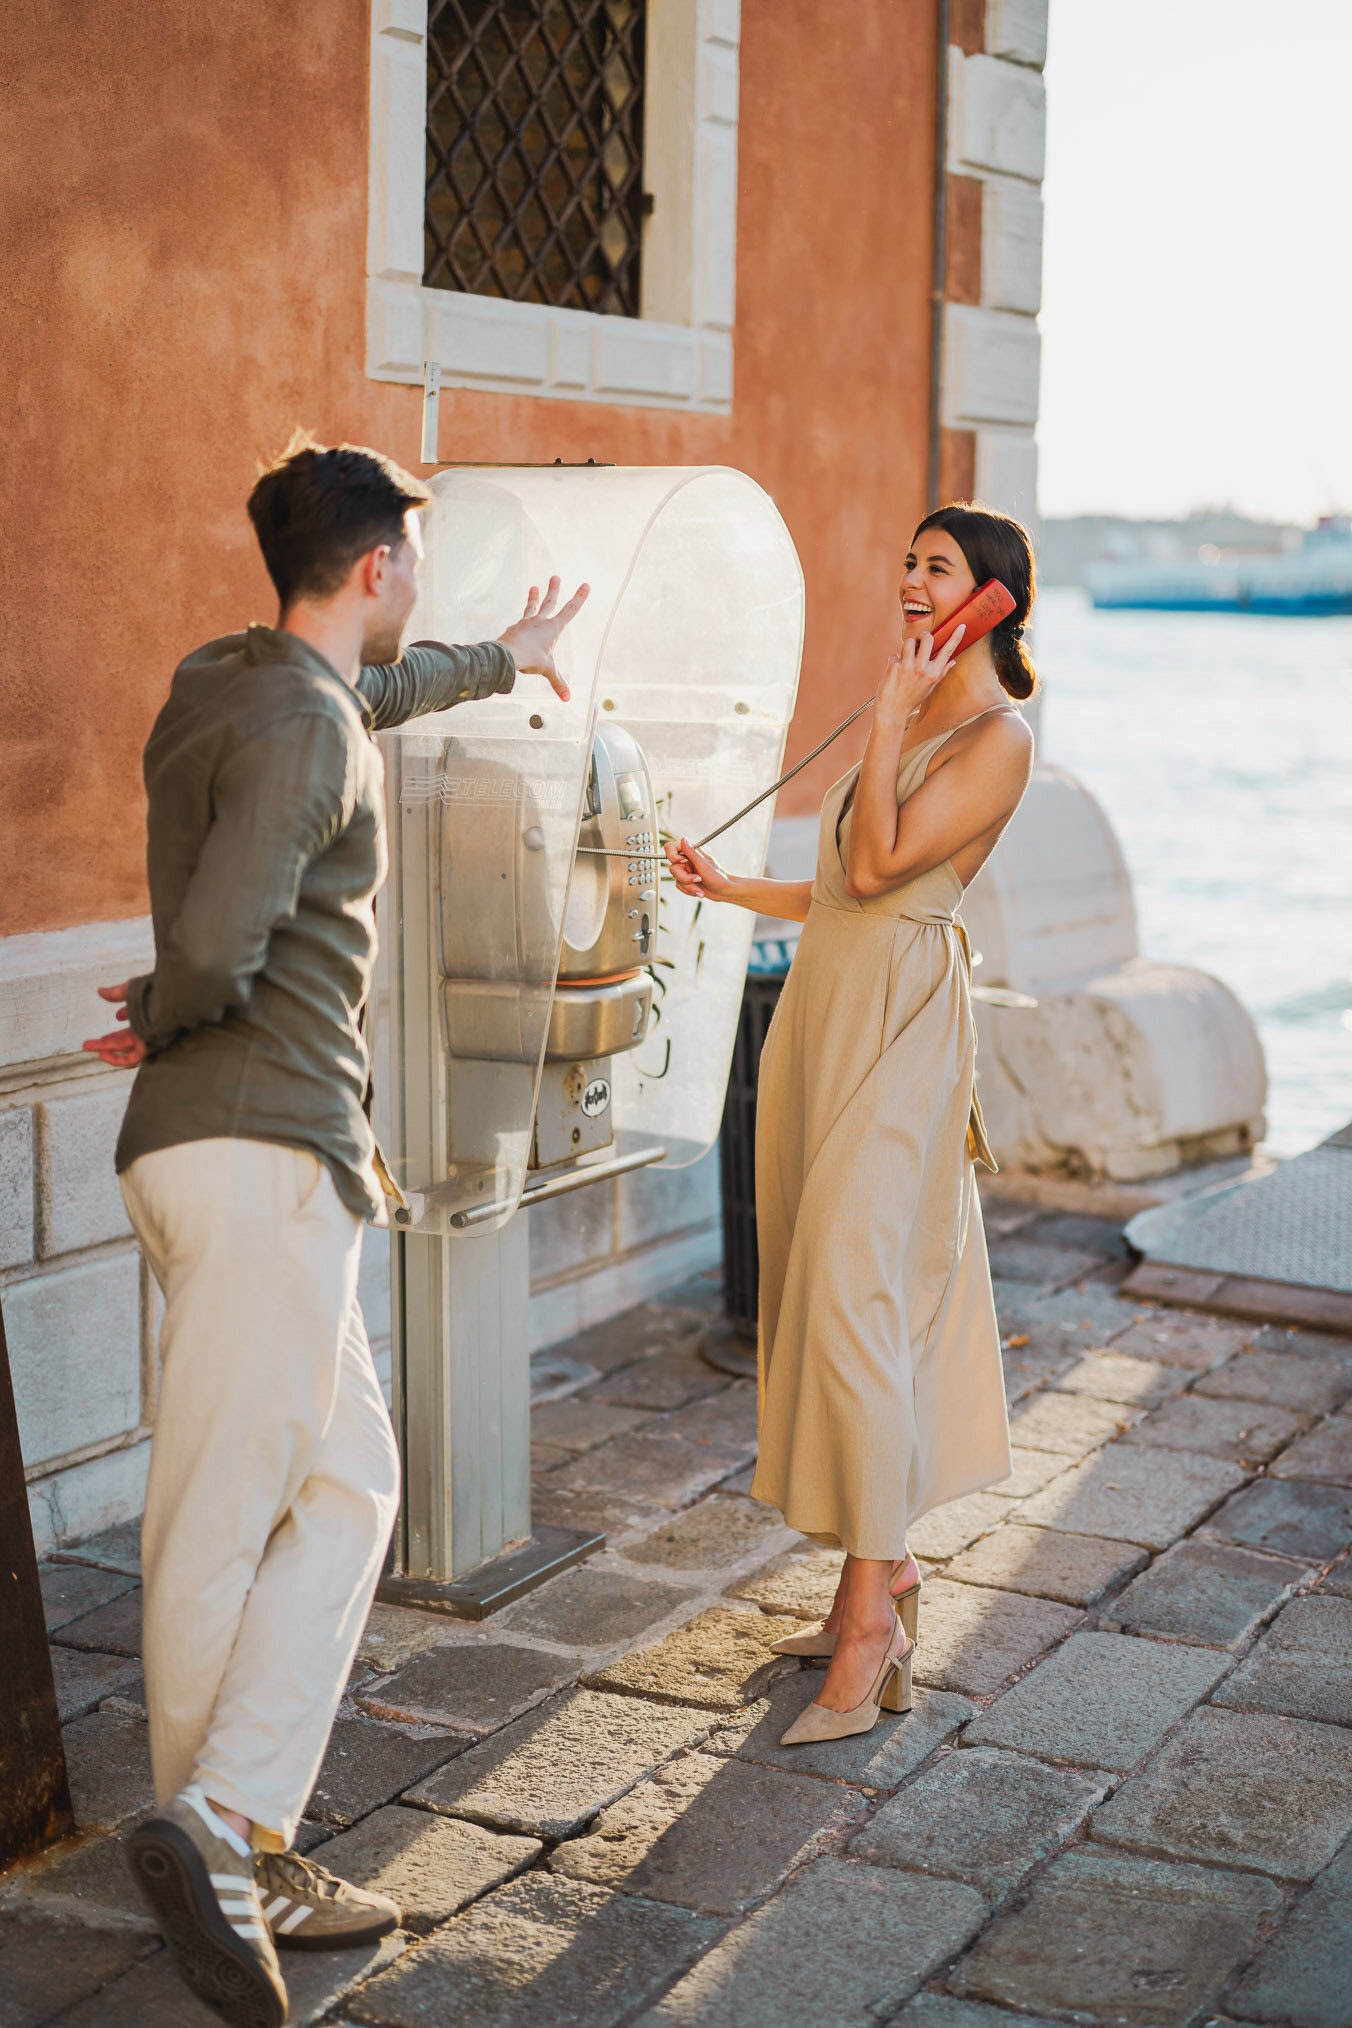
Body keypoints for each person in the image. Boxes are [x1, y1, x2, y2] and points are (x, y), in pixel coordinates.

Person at [82, 432, 588, 2028]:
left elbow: (346, 709)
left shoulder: (226, 682)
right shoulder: (307, 729)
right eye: (415, 567)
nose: (416, 586)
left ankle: (238, 1820)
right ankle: (218, 1832)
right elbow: (228, 936)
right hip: (266, 1150)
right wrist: (170, 1001)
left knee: (347, 1485)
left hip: (213, 1157)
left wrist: (507, 659)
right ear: (378, 565)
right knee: (228, 1507)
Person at [666, 503, 1036, 1746]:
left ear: (992, 596)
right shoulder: (918, 719)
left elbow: (882, 875)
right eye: (905, 566)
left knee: (853, 1297)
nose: (907, 585)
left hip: (903, 1029)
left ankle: (875, 1630)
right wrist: (728, 888)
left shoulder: (992, 735)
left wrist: (884, 720)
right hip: (829, 1006)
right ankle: (871, 1580)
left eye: (935, 569)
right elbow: (837, 886)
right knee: (828, 1289)